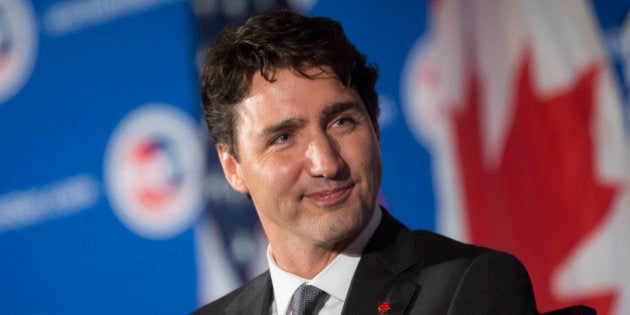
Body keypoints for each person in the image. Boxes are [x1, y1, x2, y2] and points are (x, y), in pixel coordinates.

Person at [194, 9, 538, 315]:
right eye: (284, 137)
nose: (326, 163)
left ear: (374, 126)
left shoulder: (473, 287)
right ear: (233, 168)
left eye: (341, 122)